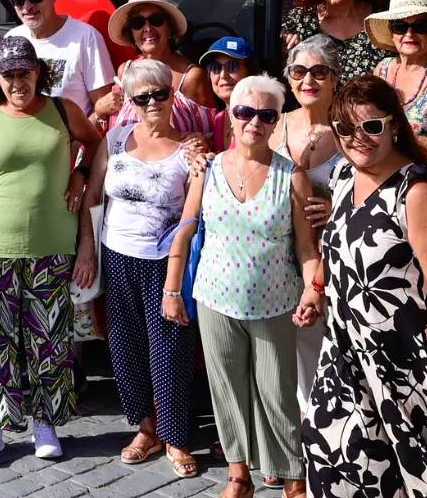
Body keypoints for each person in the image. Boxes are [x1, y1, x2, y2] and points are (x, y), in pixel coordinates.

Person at [302, 75, 427, 498]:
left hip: (407, 367)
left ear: (394, 125)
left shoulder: (419, 191)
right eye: (346, 130)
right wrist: (316, 290)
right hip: (344, 357)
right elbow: (338, 246)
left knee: (425, 483)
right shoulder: (343, 176)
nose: (359, 139)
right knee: (333, 468)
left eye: (371, 126)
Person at [0, 35, 103, 464]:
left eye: (25, 72)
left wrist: (78, 176)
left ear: (39, 71)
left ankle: (45, 421)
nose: (18, 81)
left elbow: (93, 143)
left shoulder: (62, 111)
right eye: (9, 74)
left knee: (49, 340)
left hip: (52, 245)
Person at [180, 75, 322, 497]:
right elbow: (186, 228)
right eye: (244, 112)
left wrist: (314, 288)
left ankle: (293, 478)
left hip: (274, 301)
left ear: (277, 121)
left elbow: (307, 247)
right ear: (232, 115)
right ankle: (238, 475)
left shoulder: (291, 177)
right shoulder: (206, 168)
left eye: (266, 114)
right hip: (214, 298)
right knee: (226, 389)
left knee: (277, 394)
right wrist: (174, 290)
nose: (254, 121)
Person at [89, 59, 205, 479]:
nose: (153, 102)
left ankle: (176, 436)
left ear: (172, 95)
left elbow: (193, 216)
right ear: (132, 101)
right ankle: (145, 428)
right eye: (143, 96)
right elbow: (92, 195)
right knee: (124, 347)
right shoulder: (116, 138)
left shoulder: (190, 149)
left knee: (170, 350)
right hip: (117, 254)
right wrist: (87, 250)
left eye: (161, 93)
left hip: (163, 262)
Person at [275, 34, 346, 413]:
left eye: (320, 72)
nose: (309, 80)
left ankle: (320, 425)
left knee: (322, 344)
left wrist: (337, 207)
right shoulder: (272, 124)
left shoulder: (354, 130)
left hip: (335, 260)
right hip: (278, 257)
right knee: (282, 345)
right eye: (299, 71)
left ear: (335, 78)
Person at [3, 0, 114, 119]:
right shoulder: (11, 40)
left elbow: (103, 106)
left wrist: (79, 143)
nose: (27, 6)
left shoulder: (86, 38)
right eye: (19, 0)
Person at [96, 0, 207, 147]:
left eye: (156, 20)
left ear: (170, 27)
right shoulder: (125, 72)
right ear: (131, 33)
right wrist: (100, 111)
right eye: (138, 23)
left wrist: (202, 143)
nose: (147, 28)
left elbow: (212, 136)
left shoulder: (191, 77)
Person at [369, 0, 427, 140]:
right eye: (400, 26)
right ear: (391, 32)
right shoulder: (382, 69)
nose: (409, 34)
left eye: (420, 26)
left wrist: (407, 144)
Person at [177, 35, 258, 151]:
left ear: (250, 71)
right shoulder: (219, 118)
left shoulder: (261, 116)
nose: (223, 75)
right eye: (215, 68)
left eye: (232, 66)